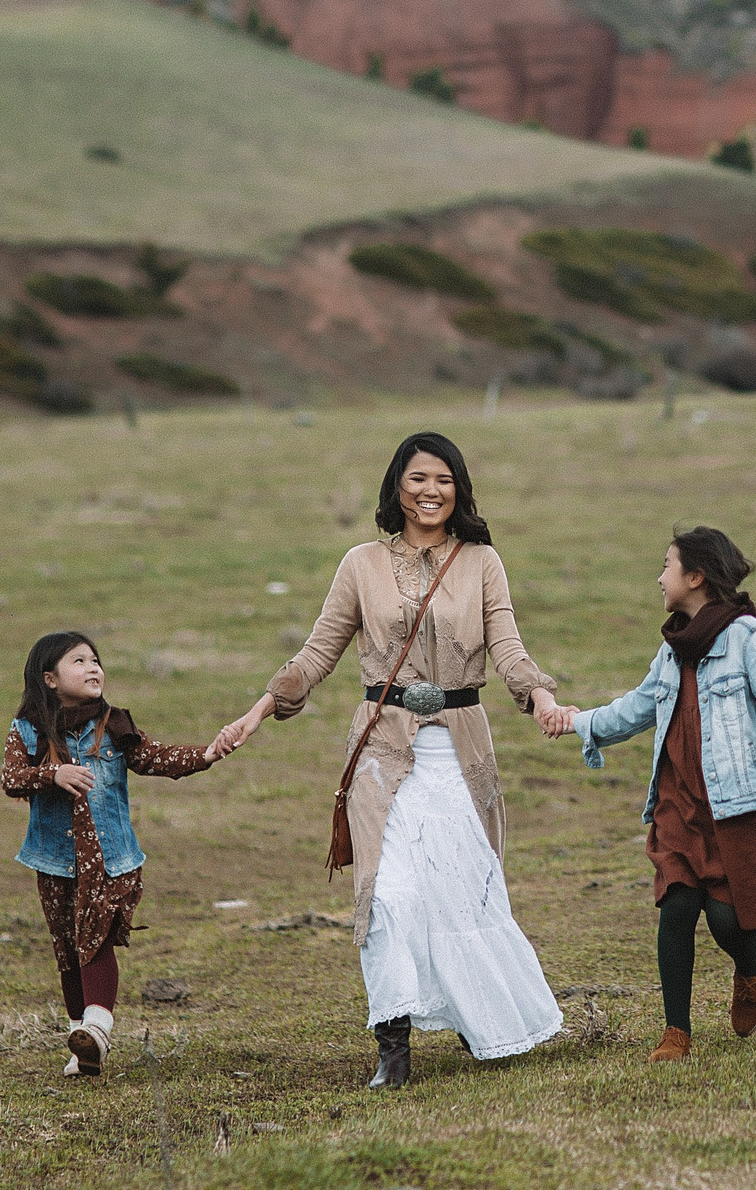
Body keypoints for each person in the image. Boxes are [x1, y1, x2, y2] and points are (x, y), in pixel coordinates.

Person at [217, 431, 568, 1089]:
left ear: (459, 488)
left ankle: (478, 1017)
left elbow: (508, 646)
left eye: (443, 479)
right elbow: (317, 653)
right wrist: (257, 711)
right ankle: (393, 1043)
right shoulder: (360, 564)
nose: (430, 491)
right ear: (396, 488)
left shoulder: (482, 561)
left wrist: (541, 695)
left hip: (461, 750)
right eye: (417, 479)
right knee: (385, 892)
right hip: (381, 749)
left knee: (463, 888)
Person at [549, 525, 756, 1063]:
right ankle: (676, 1032)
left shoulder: (749, 639)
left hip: (735, 803)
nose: (659, 578)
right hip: (677, 802)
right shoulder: (672, 650)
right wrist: (578, 722)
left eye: (666, 566)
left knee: (726, 919)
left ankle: (750, 965)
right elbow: (637, 708)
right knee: (676, 906)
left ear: (695, 577)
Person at [1, 631, 235, 1077]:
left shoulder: (114, 724)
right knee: (68, 949)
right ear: (49, 679)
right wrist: (52, 774)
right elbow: (11, 778)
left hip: (112, 859)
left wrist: (206, 754)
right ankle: (83, 1045)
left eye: (95, 660)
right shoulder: (27, 729)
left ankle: (99, 1028)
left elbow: (154, 758)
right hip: (54, 861)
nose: (93, 668)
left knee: (96, 938)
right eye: (79, 661)